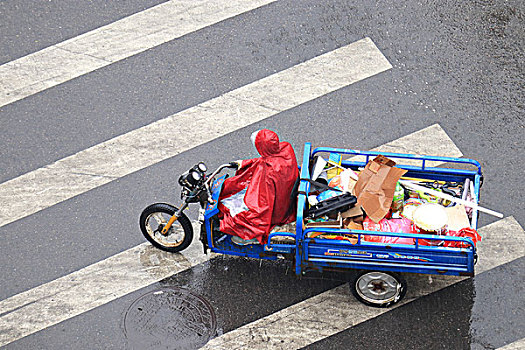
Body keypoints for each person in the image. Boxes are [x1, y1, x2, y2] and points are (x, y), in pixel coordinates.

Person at [218, 129, 299, 245]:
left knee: (232, 210)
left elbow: (263, 205)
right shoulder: (286, 148)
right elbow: (267, 159)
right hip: (286, 202)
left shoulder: (268, 172)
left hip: (277, 211)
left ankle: (252, 238)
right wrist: (244, 163)